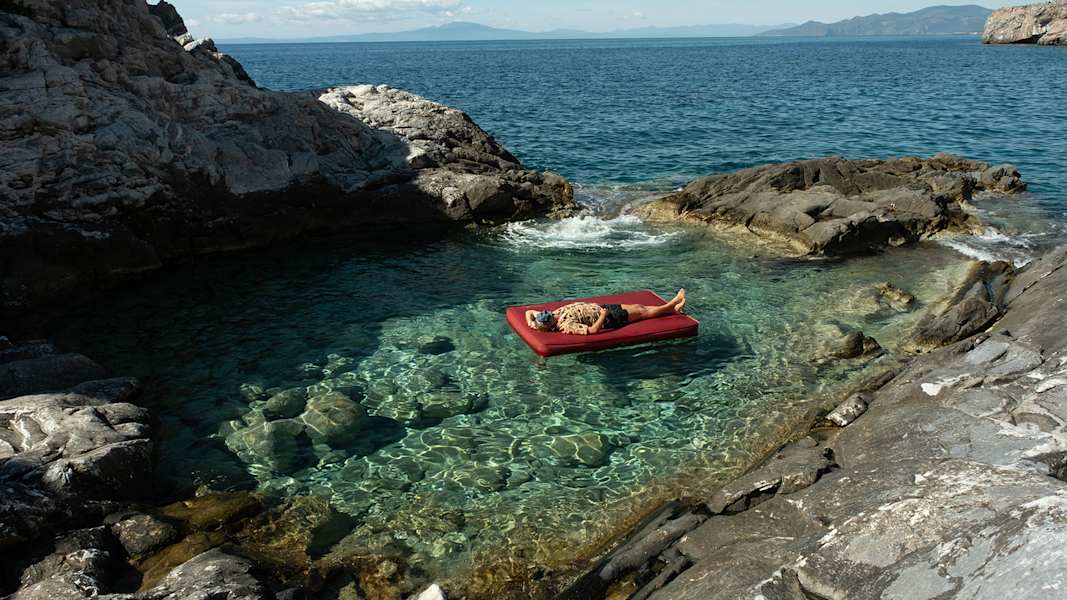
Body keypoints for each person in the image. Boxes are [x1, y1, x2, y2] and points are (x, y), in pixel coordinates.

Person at [526, 289, 687, 336]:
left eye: (546, 313)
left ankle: (672, 309)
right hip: (608, 317)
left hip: (602, 307)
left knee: (638, 306)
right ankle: (672, 305)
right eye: (549, 316)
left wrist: (531, 322)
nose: (551, 313)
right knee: (642, 311)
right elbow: (592, 331)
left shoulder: (545, 318)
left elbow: (529, 312)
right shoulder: (566, 325)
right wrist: (603, 316)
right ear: (551, 323)